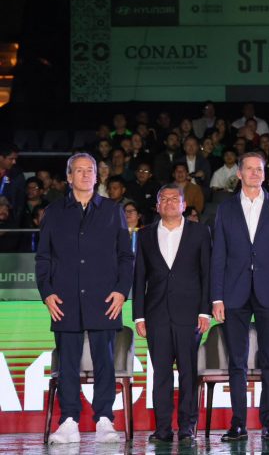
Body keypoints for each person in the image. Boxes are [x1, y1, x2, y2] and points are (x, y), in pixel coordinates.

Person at [35, 153, 134, 444]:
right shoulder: (54, 212)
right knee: (68, 362)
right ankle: (69, 421)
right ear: (68, 177)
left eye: (90, 170)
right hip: (64, 298)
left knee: (105, 360)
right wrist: (47, 292)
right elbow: (43, 257)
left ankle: (104, 419)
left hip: (106, 298)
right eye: (79, 170)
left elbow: (125, 256)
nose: (85, 175)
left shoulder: (112, 210)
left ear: (97, 176)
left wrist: (121, 290)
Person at [211, 152, 269, 442]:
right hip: (234, 292)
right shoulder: (225, 208)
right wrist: (216, 297)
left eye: (259, 169)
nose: (255, 173)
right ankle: (238, 423)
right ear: (239, 174)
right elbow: (218, 253)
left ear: (264, 175)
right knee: (237, 362)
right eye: (249, 169)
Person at [132, 184, 212, 443]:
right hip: (156, 315)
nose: (168, 202)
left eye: (173, 199)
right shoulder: (144, 235)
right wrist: (139, 315)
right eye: (163, 199)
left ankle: (187, 427)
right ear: (157, 206)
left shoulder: (199, 232)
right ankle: (163, 428)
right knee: (161, 374)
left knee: (189, 373)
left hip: (190, 315)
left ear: (183, 204)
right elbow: (139, 277)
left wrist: (205, 311)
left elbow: (206, 274)